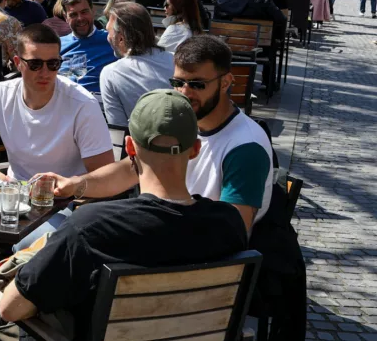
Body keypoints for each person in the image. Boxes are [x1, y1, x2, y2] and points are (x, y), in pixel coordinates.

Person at [0, 89, 248, 341]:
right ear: (195, 149)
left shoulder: (91, 228)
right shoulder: (229, 224)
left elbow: (11, 308)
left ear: (129, 146)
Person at [42, 35, 274, 233]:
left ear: (226, 83)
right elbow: (131, 170)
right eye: (178, 82)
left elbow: (234, 230)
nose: (185, 92)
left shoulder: (245, 146)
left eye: (197, 85)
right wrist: (75, 184)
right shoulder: (183, 121)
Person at [0, 24, 114, 179]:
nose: (45, 73)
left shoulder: (82, 104)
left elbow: (105, 176)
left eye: (53, 64)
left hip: (64, 199)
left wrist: (69, 187)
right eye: (35, 64)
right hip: (12, 194)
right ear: (18, 63)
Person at [99, 3, 175, 127]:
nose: (108, 37)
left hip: (137, 144)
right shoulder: (176, 60)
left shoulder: (110, 74)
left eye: (109, 32)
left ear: (121, 38)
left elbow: (118, 129)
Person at [214, 0, 286, 91]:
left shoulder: (221, 0)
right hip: (259, 49)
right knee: (272, 43)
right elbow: (281, 19)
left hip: (228, 47)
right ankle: (269, 83)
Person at [58, 0, 117, 94]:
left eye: (84, 12)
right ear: (66, 17)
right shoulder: (58, 45)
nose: (80, 18)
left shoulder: (111, 40)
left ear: (93, 11)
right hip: (65, 102)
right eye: (73, 15)